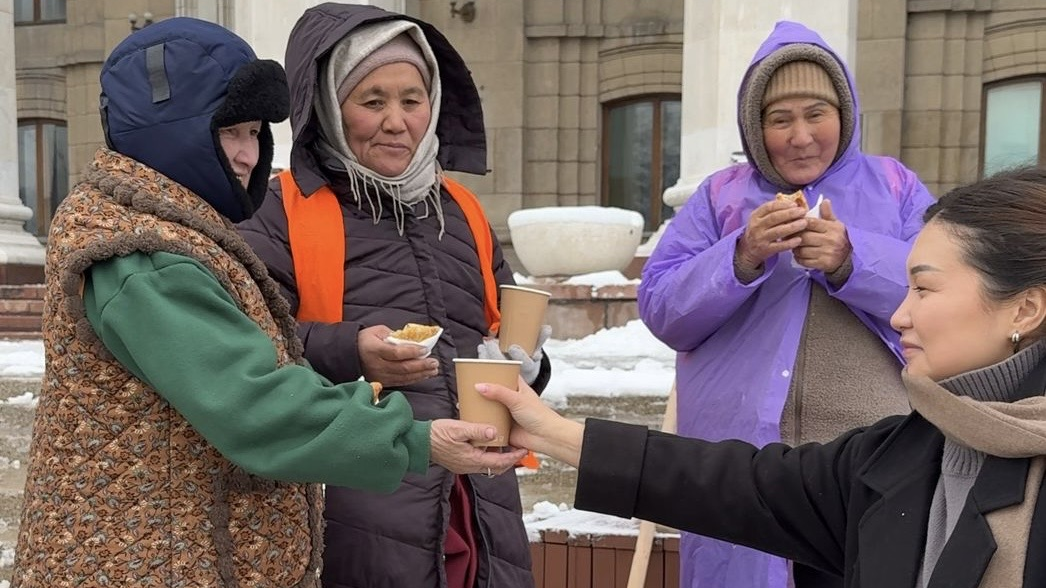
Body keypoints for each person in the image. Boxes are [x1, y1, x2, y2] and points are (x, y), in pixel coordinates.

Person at [12, 17, 523, 588]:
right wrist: (413, 432)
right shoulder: (143, 255)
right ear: (170, 130)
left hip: (205, 543)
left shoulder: (183, 233)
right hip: (161, 557)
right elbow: (256, 402)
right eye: (229, 132)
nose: (247, 154)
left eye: (255, 133)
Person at [484, 164, 1046, 588]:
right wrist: (549, 433)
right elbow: (738, 483)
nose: (900, 313)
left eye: (923, 289)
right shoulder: (908, 453)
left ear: (1024, 309)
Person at [236, 4, 549, 587]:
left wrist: (530, 362)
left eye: (412, 99)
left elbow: (495, 335)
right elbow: (247, 350)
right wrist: (351, 351)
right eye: (372, 101)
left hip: (481, 497)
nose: (396, 121)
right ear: (329, 107)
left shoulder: (462, 209)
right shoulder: (279, 211)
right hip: (352, 496)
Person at [637, 20, 937, 587]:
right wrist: (742, 254)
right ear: (756, 127)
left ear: (844, 116)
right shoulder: (719, 197)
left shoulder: (895, 185)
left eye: (816, 114)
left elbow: (946, 291)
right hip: (745, 469)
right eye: (780, 119)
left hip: (872, 466)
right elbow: (660, 306)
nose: (800, 136)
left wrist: (853, 257)